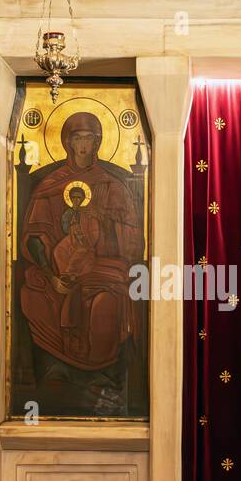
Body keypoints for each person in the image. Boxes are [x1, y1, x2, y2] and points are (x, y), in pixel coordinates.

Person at [19, 112, 142, 382]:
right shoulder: (49, 186)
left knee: (105, 302)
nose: (84, 145)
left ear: (98, 143)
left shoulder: (115, 186)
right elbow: (34, 235)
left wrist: (106, 225)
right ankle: (53, 368)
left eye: (89, 138)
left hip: (105, 266)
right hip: (58, 267)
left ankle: (104, 371)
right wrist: (51, 274)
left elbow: (133, 239)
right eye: (78, 139)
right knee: (35, 292)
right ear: (68, 143)